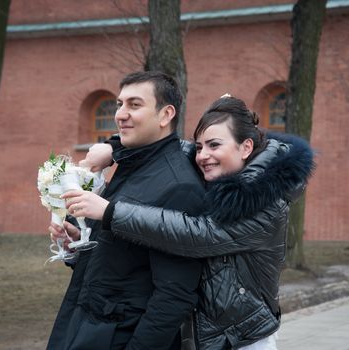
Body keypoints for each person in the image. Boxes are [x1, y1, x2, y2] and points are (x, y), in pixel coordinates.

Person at [66, 95, 315, 349]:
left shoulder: (263, 202)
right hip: (197, 337)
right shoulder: (213, 181)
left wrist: (111, 212)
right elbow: (171, 150)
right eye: (199, 147)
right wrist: (117, 148)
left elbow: (196, 235)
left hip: (242, 340)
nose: (203, 155)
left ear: (246, 148)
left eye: (214, 145)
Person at [47, 71, 205, 349]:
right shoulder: (132, 165)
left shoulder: (180, 187)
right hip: (87, 327)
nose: (120, 114)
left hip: (119, 337)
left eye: (134, 105)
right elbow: (122, 258)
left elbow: (174, 295)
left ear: (166, 115)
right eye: (119, 104)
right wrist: (77, 247)